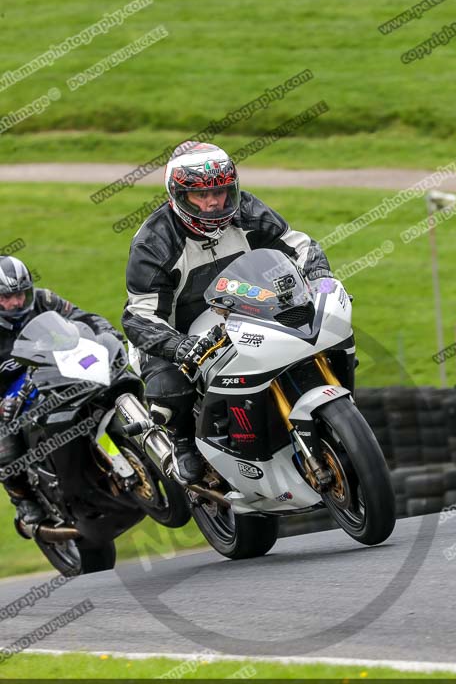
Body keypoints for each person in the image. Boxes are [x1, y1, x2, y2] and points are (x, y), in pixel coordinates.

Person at [122, 141, 333, 485]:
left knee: (310, 335)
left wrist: (321, 277)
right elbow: (139, 316)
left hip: (245, 307)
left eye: (220, 192)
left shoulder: (246, 210)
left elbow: (299, 245)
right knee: (169, 390)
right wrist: (178, 348)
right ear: (178, 195)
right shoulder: (154, 242)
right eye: (200, 196)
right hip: (176, 330)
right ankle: (183, 442)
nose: (213, 203)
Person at [0, 256, 123, 528]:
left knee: (101, 385)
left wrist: (105, 331)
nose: (16, 302)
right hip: (8, 395)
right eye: (6, 297)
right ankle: (24, 501)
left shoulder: (43, 300)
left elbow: (81, 317)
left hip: (50, 369)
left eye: (20, 293)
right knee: (4, 443)